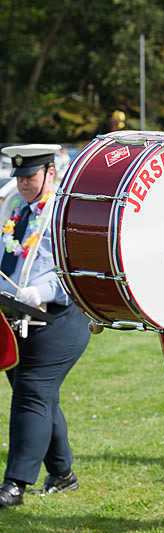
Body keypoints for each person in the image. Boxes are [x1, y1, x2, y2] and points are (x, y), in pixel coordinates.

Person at [0, 144, 91, 509]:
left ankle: (15, 484)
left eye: (30, 176)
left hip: (61, 318)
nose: (23, 183)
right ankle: (63, 474)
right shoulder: (17, 211)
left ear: (50, 174)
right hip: (17, 318)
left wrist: (42, 288)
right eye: (19, 177)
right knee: (39, 397)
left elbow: (75, 270)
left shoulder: (63, 212)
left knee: (31, 392)